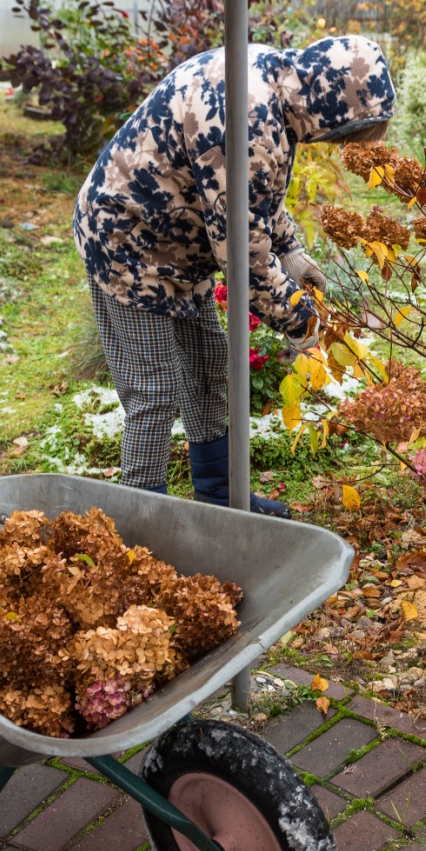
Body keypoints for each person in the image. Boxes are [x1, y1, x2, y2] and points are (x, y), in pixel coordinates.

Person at [75, 35, 394, 517]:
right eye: (344, 134)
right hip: (127, 240)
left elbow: (253, 198)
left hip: (179, 240)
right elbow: (242, 253)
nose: (337, 143)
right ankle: (139, 521)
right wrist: (299, 319)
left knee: (207, 367)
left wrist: (291, 252)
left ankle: (219, 496)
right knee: (154, 390)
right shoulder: (245, 118)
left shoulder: (276, 82)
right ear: (331, 104)